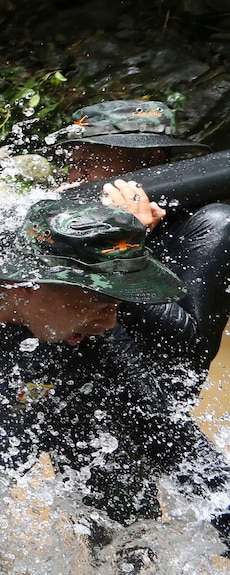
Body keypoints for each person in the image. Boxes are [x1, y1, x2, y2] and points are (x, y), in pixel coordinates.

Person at [0, 198, 230, 557]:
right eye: (98, 304)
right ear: (30, 283)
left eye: (115, 307)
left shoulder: (95, 346)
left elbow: (175, 443)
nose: (107, 323)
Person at [48, 100, 230, 405]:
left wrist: (123, 250)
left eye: (89, 161)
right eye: (72, 162)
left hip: (145, 409)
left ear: (150, 160)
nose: (75, 178)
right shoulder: (73, 221)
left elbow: (187, 348)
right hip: (60, 398)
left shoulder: (211, 223)